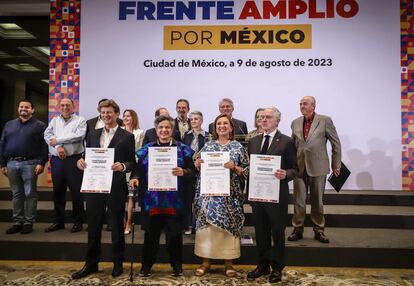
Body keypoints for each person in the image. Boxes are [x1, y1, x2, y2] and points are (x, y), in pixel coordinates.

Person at [72, 99, 135, 279]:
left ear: (116, 114)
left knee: (116, 226)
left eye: (109, 112)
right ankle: (91, 264)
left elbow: (132, 162)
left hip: (115, 187)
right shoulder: (92, 134)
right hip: (94, 186)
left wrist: (123, 166)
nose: (106, 115)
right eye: (103, 112)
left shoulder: (127, 136)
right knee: (93, 227)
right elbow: (86, 156)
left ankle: (118, 263)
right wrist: (80, 161)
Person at [129, 115, 195, 277]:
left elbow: (193, 173)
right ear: (156, 130)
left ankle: (177, 265)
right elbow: (138, 170)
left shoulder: (183, 150)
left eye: (167, 128)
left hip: (175, 202)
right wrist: (135, 178)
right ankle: (146, 266)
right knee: (150, 236)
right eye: (161, 128)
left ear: (172, 130)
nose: (164, 130)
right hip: (152, 201)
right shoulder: (146, 150)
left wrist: (184, 172)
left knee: (174, 237)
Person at [193, 114, 249, 277]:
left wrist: (235, 167)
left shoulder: (238, 147)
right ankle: (205, 263)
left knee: (228, 229)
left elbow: (247, 171)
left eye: (225, 123)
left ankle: (228, 264)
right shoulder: (208, 146)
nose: (222, 126)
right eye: (219, 124)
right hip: (209, 197)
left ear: (231, 128)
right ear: (215, 128)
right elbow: (196, 162)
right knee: (207, 230)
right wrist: (197, 164)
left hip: (229, 197)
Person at [246, 107, 298, 283]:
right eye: (261, 117)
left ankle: (277, 267)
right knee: (260, 232)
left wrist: (286, 174)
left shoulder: (287, 141)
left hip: (277, 195)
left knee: (277, 232)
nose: (263, 120)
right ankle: (262, 265)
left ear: (277, 121)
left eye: (268, 117)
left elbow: (295, 169)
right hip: (257, 194)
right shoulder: (253, 141)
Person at [288, 96, 341, 244]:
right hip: (299, 167)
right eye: (300, 104)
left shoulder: (325, 120)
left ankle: (319, 230)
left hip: (318, 167)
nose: (301, 106)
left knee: (317, 201)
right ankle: (297, 229)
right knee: (299, 202)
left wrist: (336, 164)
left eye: (305, 103)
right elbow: (293, 145)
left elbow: (336, 143)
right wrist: (290, 164)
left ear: (313, 105)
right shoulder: (295, 122)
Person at [0, 99, 48, 234]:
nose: (23, 109)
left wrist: (41, 162)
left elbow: (44, 146)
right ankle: (17, 222)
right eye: (21, 107)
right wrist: (3, 163)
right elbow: (2, 144)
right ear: (18, 109)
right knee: (16, 194)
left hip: (30, 163)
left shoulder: (40, 126)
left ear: (32, 110)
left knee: (30, 193)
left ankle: (28, 222)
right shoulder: (9, 125)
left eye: (27, 107)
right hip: (11, 163)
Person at [44, 98, 86, 233]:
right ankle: (58, 222)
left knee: (76, 193)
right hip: (57, 160)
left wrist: (58, 140)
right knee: (58, 193)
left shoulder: (80, 120)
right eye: (62, 105)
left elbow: (78, 136)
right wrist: (58, 146)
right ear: (58, 107)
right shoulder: (55, 120)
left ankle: (78, 222)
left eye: (68, 105)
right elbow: (47, 135)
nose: (65, 107)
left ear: (73, 107)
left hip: (74, 160)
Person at [182, 111, 210, 234]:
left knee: (201, 199)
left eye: (196, 119)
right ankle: (188, 224)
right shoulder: (185, 136)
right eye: (192, 119)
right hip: (189, 170)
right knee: (188, 198)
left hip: (203, 171)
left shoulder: (208, 136)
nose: (193, 121)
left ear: (201, 121)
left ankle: (198, 223)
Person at [122, 109, 144, 235]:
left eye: (128, 116)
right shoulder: (118, 130)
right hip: (120, 167)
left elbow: (139, 150)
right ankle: (123, 222)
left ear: (134, 118)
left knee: (131, 196)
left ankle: (129, 222)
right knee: (120, 197)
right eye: (124, 116)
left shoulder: (139, 132)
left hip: (134, 166)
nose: (126, 118)